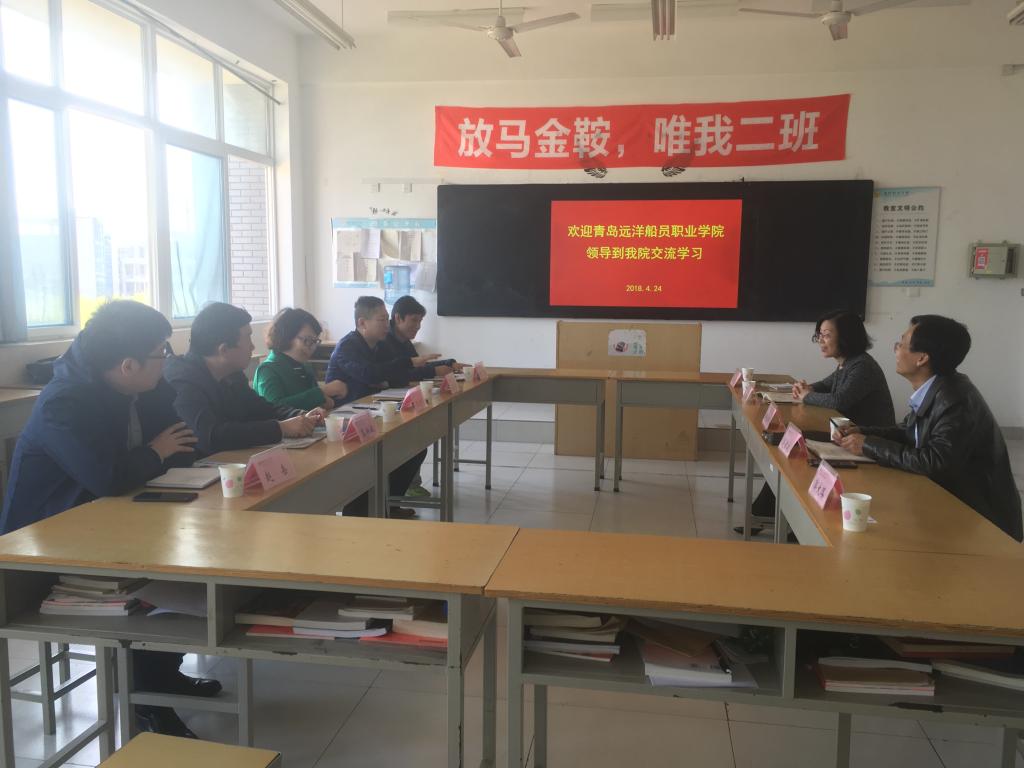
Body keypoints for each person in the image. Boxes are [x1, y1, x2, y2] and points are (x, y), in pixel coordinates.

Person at [0, 300, 218, 739]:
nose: (168, 360)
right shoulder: (64, 403)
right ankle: (146, 697)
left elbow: (185, 443)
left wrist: (161, 453)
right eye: (161, 352)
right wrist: (155, 451)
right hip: (46, 547)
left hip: (117, 525)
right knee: (181, 583)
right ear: (127, 365)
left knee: (196, 558)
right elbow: (108, 477)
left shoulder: (143, 384)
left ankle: (160, 676)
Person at [837, 315, 1022, 542]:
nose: (896, 350)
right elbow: (909, 432)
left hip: (981, 522)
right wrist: (863, 433)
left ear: (922, 358)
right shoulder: (938, 387)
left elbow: (935, 462)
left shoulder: (954, 400)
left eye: (901, 344)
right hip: (951, 504)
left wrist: (868, 445)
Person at [740, 310, 896, 536]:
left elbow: (839, 400)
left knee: (796, 447)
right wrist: (807, 389)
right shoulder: (847, 364)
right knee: (790, 444)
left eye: (827, 335)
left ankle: (778, 516)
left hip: (866, 442)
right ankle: (768, 511)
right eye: (819, 335)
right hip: (845, 436)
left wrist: (806, 395)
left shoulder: (862, 367)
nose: (821, 341)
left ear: (846, 337)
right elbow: (824, 386)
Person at [164, 302, 322, 455]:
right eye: (248, 338)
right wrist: (280, 428)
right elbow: (210, 436)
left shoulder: (232, 373)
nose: (253, 346)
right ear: (224, 350)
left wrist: (300, 415)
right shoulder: (182, 381)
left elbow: (261, 409)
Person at [325, 296, 428, 519]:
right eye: (381, 320)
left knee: (415, 447)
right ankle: (360, 512)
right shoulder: (348, 346)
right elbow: (370, 374)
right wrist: (403, 366)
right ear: (362, 323)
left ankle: (390, 504)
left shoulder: (379, 345)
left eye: (386, 319)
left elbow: (395, 373)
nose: (386, 325)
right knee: (373, 458)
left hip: (372, 412)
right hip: (346, 420)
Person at [253, 307, 348, 410]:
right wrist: (322, 392)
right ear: (287, 336)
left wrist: (324, 401)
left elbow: (312, 401)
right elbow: (275, 408)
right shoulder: (267, 370)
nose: (313, 347)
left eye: (315, 341)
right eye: (307, 340)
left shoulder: (304, 366)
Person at [378, 295, 461, 385]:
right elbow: (396, 376)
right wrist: (434, 371)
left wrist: (449, 363)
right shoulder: (382, 340)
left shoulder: (404, 339)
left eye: (420, 321)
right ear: (398, 318)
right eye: (414, 320)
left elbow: (419, 365)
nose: (418, 326)